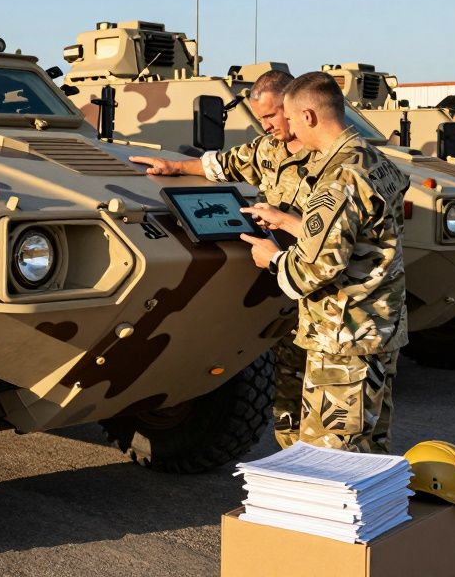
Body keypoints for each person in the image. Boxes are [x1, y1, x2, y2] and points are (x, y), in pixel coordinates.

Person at [129, 70, 311, 448]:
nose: (265, 125)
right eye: (259, 117)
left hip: (321, 297)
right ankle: (298, 471)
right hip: (280, 292)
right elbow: (220, 164)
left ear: (296, 108)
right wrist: (175, 167)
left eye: (272, 116)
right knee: (288, 397)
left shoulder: (330, 159)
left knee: (334, 412)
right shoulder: (269, 149)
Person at [239, 71, 409, 454]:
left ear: (309, 117)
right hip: (380, 326)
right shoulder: (372, 159)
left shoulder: (336, 180)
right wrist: (296, 224)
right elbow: (367, 233)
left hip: (343, 340)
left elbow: (308, 274)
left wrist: (271, 259)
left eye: (291, 118)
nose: (291, 132)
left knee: (332, 458)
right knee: (370, 447)